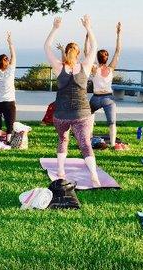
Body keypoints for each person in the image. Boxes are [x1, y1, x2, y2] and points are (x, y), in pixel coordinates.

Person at [44, 15, 101, 187]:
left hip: (61, 114)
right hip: (82, 113)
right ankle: (94, 177)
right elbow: (95, 46)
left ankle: (61, 171)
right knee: (85, 144)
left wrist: (55, 28)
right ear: (78, 53)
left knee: (63, 140)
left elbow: (46, 46)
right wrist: (88, 27)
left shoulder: (58, 67)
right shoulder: (84, 66)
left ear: (67, 52)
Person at [88, 22, 124, 149]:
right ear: (106, 58)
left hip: (95, 98)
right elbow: (118, 51)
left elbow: (87, 52)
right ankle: (113, 144)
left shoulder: (94, 68)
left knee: (89, 116)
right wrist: (118, 33)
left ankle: (89, 138)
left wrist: (88, 33)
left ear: (97, 58)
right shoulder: (111, 68)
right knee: (112, 123)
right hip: (108, 99)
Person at [0, 31, 17, 142]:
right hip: (9, 101)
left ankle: (0, 135)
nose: (9, 60)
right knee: (10, 119)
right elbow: (13, 55)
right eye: (7, 59)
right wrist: (10, 42)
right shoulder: (10, 69)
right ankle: (8, 138)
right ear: (6, 61)